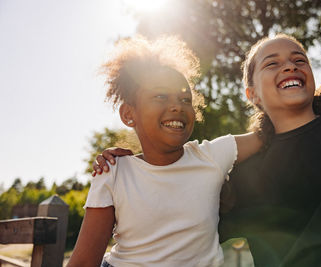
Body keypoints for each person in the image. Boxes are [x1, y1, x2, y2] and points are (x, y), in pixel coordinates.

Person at [93, 34, 321, 267]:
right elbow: (177, 219)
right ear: (251, 93)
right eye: (272, 63)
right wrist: (135, 164)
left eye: (299, 59)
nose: (289, 65)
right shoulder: (243, 175)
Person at [68, 35, 264, 267]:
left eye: (185, 99)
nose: (176, 106)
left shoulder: (210, 156)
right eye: (160, 96)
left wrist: (315, 101)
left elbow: (271, 132)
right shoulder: (113, 171)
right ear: (129, 114)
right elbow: (83, 262)